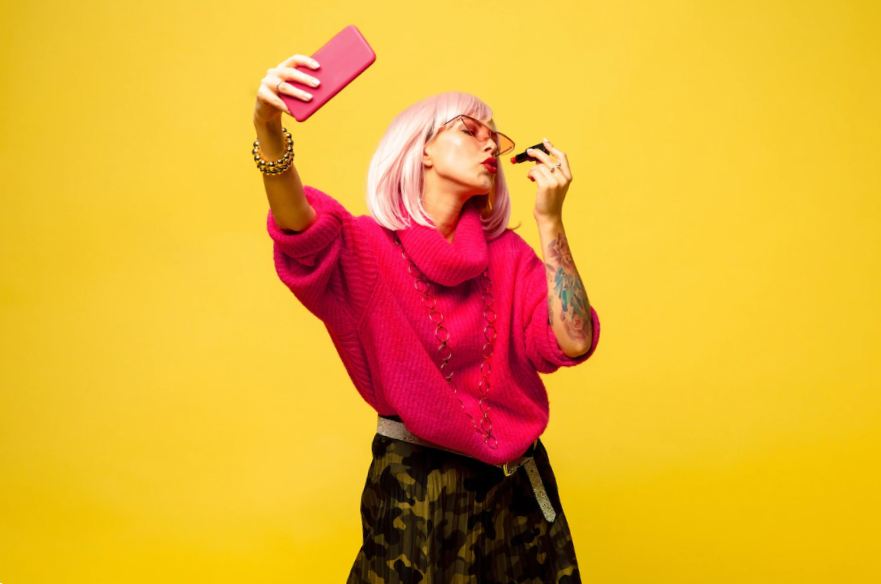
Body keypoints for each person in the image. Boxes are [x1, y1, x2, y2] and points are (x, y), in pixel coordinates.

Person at [252, 52, 601, 583]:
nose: (491, 142)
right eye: (469, 129)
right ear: (422, 150)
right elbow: (297, 224)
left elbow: (573, 342)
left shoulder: (509, 257)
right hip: (418, 488)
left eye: (495, 135)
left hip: (518, 489)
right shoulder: (365, 249)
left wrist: (550, 221)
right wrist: (268, 127)